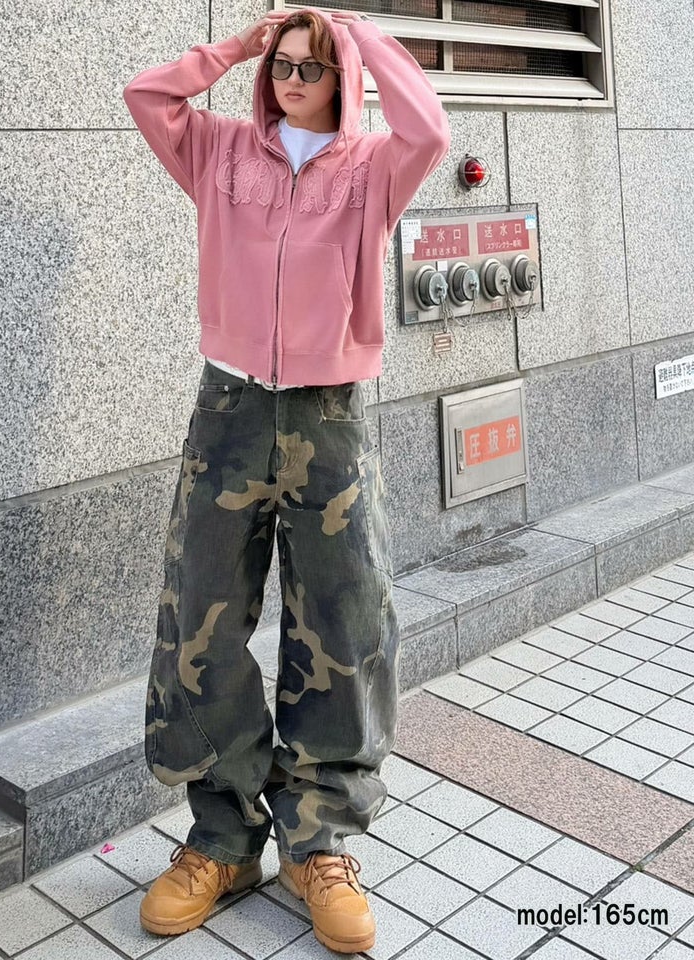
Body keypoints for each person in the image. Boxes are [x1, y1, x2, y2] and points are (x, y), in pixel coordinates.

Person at [123, 7, 449, 953]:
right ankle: (223, 840)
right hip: (229, 407)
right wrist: (235, 47)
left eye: (311, 67)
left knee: (346, 616)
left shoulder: (373, 166)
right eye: (281, 65)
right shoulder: (221, 150)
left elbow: (430, 129)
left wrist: (362, 38)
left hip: (329, 415)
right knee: (202, 615)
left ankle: (319, 843)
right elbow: (146, 95)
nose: (292, 80)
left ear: (340, 77)